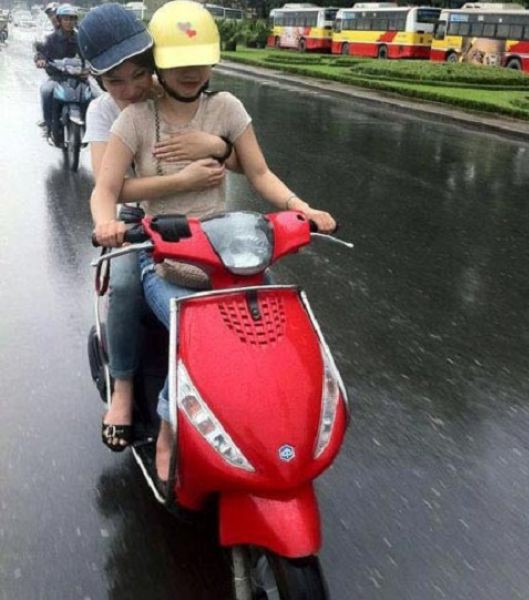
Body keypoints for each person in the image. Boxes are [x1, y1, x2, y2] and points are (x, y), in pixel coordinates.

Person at [91, 0, 336, 486]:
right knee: (192, 334)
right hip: (164, 255)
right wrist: (105, 223)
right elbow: (106, 188)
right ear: (161, 61)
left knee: (272, 329)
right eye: (178, 61)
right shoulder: (132, 118)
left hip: (225, 247)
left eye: (200, 59)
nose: (190, 71)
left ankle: (275, 421)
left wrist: (301, 208)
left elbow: (259, 173)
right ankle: (165, 426)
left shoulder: (227, 108)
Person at [79, 3, 240, 453]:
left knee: (246, 282)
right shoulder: (104, 114)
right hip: (136, 220)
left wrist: (217, 145)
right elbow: (110, 187)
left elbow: (242, 158)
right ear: (98, 81)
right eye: (115, 81)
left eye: (139, 74)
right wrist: (110, 222)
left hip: (202, 218)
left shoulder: (178, 89)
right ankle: (124, 390)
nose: (131, 89)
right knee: (126, 283)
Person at [35, 4, 80, 136]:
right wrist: (40, 59)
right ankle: (49, 125)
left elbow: (90, 53)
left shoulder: (81, 38)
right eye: (66, 19)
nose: (69, 22)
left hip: (79, 78)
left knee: (95, 96)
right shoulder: (51, 38)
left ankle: (92, 131)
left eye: (72, 18)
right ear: (59, 20)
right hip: (57, 78)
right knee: (46, 91)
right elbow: (42, 52)